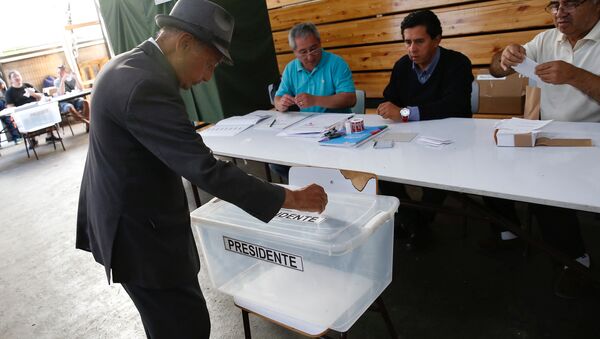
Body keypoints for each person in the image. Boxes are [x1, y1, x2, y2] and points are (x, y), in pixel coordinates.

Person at [75, 1, 328, 338]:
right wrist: (290, 198)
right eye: (209, 64)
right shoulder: (145, 85)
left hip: (131, 220)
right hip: (140, 239)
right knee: (185, 328)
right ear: (183, 43)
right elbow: (205, 169)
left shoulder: (129, 64)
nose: (208, 76)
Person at [489, 0, 599, 298]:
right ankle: (574, 260)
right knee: (538, 182)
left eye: (572, 3)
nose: (561, 11)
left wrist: (576, 76)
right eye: (555, 4)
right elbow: (497, 71)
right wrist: (505, 57)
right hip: (553, 135)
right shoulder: (546, 39)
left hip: (596, 134)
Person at [376, 9, 474, 251]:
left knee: (436, 174)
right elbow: (391, 98)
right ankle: (416, 222)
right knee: (382, 169)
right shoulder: (402, 66)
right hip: (411, 139)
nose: (412, 49)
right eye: (407, 42)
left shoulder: (458, 63)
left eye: (419, 41)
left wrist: (406, 113)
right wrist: (387, 107)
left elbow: (456, 105)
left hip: (451, 141)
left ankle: (416, 223)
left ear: (437, 39)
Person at [274, 22, 356, 113]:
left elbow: (350, 99)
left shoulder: (337, 63)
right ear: (294, 52)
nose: (310, 57)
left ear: (320, 43)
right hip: (307, 124)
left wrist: (315, 100)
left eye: (313, 49)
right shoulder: (290, 69)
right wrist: (281, 104)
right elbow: (278, 98)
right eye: (303, 52)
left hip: (338, 123)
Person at [5, 70, 44, 148]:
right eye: (14, 76)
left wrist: (33, 94)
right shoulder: (9, 92)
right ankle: (31, 139)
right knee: (25, 119)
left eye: (18, 75)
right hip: (22, 114)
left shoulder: (27, 85)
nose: (17, 77)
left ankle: (50, 135)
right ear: (11, 80)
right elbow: (10, 107)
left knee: (47, 111)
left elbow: (41, 96)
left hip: (35, 109)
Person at [54, 64, 90, 130]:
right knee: (70, 107)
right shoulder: (56, 81)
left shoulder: (71, 79)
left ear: (65, 72)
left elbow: (81, 89)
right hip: (64, 102)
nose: (60, 74)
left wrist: (76, 78)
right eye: (59, 73)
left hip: (75, 100)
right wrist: (62, 81)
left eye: (62, 72)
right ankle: (88, 122)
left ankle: (87, 123)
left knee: (86, 102)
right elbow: (61, 94)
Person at [0, 76, 22, 144]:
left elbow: (3, 85)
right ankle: (16, 137)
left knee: (8, 119)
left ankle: (17, 137)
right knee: (8, 119)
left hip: (1, 100)